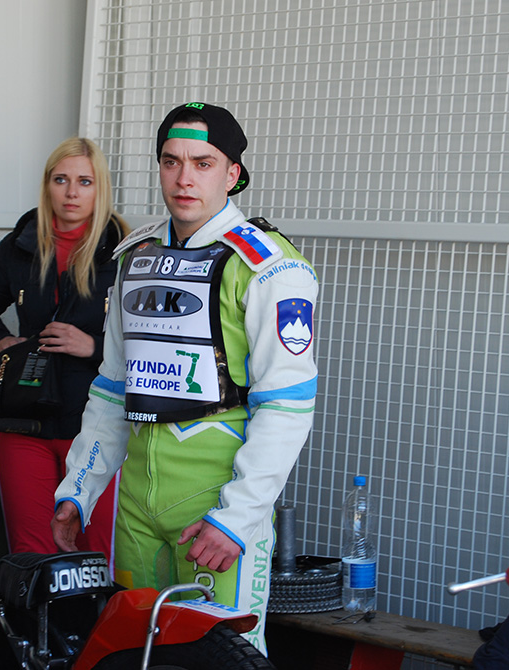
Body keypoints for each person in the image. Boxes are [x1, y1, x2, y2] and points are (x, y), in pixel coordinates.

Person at [51, 103, 318, 654]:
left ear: (233, 173)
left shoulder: (272, 267)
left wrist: (237, 518)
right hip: (135, 509)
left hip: (216, 512)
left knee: (225, 659)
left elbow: (287, 405)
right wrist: (79, 489)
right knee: (134, 652)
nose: (184, 178)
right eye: (171, 162)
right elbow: (113, 387)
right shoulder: (136, 255)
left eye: (203, 162)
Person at [0, 138, 130, 563]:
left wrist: (93, 347)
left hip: (96, 424)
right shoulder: (21, 243)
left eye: (85, 182)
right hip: (25, 420)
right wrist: (2, 344)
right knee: (31, 553)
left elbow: (151, 341)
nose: (72, 193)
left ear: (101, 187)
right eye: (61, 180)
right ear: (47, 185)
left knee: (95, 554)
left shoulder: (126, 249)